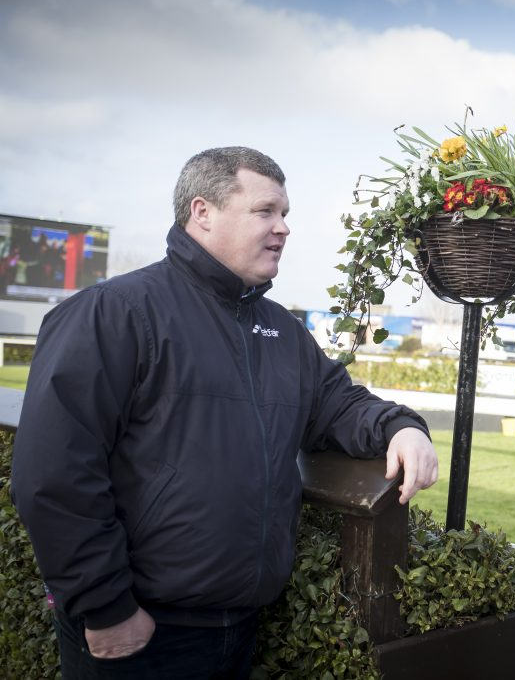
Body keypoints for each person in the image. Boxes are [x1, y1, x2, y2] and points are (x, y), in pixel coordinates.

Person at [11, 147, 439, 678]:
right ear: (202, 212)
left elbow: (339, 403)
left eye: (285, 215)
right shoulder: (113, 312)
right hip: (138, 629)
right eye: (266, 211)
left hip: (239, 630)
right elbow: (52, 477)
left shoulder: (282, 330)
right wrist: (106, 607)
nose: (283, 228)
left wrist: (400, 427)